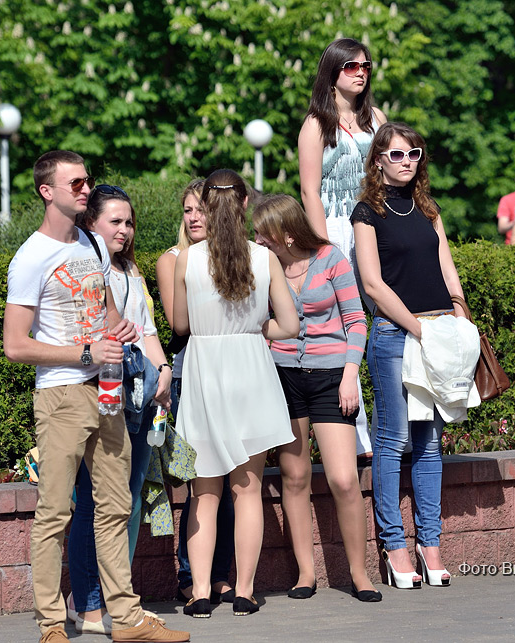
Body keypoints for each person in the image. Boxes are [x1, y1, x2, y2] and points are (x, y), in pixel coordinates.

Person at [3, 150, 188, 642]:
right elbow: (15, 345)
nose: (86, 189)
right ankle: (51, 624)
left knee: (115, 506)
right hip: (62, 395)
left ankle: (125, 618)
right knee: (55, 513)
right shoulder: (31, 258)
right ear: (47, 192)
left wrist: (119, 328)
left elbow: (105, 310)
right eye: (76, 184)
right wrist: (85, 351)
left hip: (107, 389)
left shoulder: (91, 243)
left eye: (87, 182)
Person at [172, 169, 299, 617]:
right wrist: (256, 330)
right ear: (246, 203)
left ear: (206, 206)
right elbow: (290, 325)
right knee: (248, 490)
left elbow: (180, 325)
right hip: (251, 372)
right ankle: (244, 591)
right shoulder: (264, 259)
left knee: (203, 493)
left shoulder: (187, 260)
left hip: (205, 373)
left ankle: (200, 592)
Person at [352, 122, 467, 589]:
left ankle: (430, 544)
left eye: (413, 154)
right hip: (396, 335)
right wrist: (419, 329)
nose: (406, 162)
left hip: (438, 330)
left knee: (429, 443)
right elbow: (373, 284)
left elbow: (446, 266)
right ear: (378, 160)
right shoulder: (367, 212)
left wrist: (460, 312)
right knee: (393, 439)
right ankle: (395, 544)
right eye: (396, 154)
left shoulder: (428, 209)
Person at [253, 194, 382, 603]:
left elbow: (356, 320)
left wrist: (349, 375)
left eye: (263, 233)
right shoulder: (264, 265)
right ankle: (305, 573)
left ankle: (359, 574)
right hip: (283, 377)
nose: (257, 240)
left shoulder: (331, 258)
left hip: (331, 378)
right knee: (294, 477)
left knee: (344, 479)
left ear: (288, 234)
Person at [66, 184, 173, 633]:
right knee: (93, 502)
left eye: (129, 222)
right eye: (115, 221)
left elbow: (146, 330)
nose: (125, 230)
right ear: (90, 222)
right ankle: (86, 601)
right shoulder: (81, 269)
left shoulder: (131, 272)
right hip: (98, 395)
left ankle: (117, 600)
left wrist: (163, 371)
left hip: (139, 395)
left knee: (127, 501)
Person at [298, 37, 387, 461]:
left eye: (366, 66)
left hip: (375, 228)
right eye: (351, 66)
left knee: (387, 323)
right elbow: (309, 192)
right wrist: (323, 249)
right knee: (347, 329)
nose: (361, 72)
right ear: (332, 73)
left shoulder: (377, 118)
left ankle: (394, 430)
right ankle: (359, 440)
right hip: (335, 230)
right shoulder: (316, 124)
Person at [156, 180, 236, 606]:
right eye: (187, 210)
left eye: (201, 209)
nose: (194, 217)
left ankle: (219, 574)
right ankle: (190, 576)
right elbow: (179, 323)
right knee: (199, 482)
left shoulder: (234, 257)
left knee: (232, 479)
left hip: (231, 376)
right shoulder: (173, 259)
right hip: (191, 373)